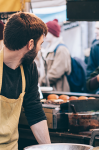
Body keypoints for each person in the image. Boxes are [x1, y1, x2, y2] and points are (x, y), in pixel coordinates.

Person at [0, 12, 51, 149]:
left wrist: (49, 148)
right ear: (30, 44)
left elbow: (34, 109)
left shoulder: (29, 68)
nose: (40, 49)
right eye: (40, 43)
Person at [35, 19, 71, 92]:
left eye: (47, 32)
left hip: (59, 90)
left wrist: (40, 81)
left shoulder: (61, 49)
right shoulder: (48, 48)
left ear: (53, 32)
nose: (44, 34)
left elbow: (56, 73)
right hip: (49, 89)